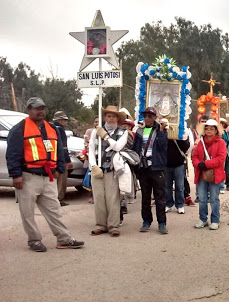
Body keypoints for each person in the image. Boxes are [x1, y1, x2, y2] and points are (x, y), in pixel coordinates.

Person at [6, 97, 84, 251]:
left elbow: (59, 151)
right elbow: (12, 154)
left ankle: (64, 239)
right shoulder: (18, 129)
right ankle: (34, 240)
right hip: (28, 177)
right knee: (27, 212)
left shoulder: (51, 129)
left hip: (48, 177)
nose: (40, 111)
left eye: (42, 108)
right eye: (36, 108)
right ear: (28, 110)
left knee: (54, 209)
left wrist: (59, 169)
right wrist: (16, 175)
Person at [89, 106, 128, 237]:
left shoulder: (123, 132)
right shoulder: (96, 131)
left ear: (117, 118)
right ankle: (100, 224)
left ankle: (113, 225)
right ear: (105, 117)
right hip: (98, 169)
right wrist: (94, 166)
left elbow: (117, 146)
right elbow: (91, 149)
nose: (111, 118)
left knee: (113, 198)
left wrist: (105, 136)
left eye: (114, 116)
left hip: (113, 169)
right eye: (108, 116)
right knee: (99, 198)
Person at [132, 107, 168, 234]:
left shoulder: (161, 130)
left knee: (160, 197)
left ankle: (162, 223)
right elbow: (135, 149)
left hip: (157, 168)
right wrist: (135, 167)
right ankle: (146, 221)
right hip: (143, 168)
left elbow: (163, 147)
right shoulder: (139, 131)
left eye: (150, 116)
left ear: (155, 117)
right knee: (145, 197)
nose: (147, 118)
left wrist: (163, 131)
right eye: (145, 116)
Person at [192, 119, 227, 230]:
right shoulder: (200, 142)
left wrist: (206, 164)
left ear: (216, 130)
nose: (209, 130)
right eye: (207, 128)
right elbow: (194, 156)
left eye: (212, 128)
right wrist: (198, 164)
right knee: (202, 198)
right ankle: (203, 219)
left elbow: (221, 159)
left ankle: (215, 220)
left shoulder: (221, 142)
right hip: (202, 174)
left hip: (215, 174)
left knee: (214, 198)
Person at [164, 122, 190, 214]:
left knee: (179, 186)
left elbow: (186, 146)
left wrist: (179, 137)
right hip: (166, 164)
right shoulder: (163, 132)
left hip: (179, 163)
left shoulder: (182, 132)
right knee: (167, 186)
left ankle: (180, 204)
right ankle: (168, 204)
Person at [51, 111, 74, 206]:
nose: (66, 122)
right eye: (65, 120)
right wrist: (67, 160)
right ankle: (59, 199)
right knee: (62, 179)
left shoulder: (50, 128)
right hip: (61, 158)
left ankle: (53, 198)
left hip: (52, 157)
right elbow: (63, 146)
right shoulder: (60, 129)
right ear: (60, 120)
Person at [219, 118, 229, 193]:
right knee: (221, 169)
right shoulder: (218, 132)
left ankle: (228, 184)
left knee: (228, 169)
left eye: (223, 123)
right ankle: (221, 186)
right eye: (220, 123)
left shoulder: (225, 132)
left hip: (227, 151)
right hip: (221, 152)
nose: (222, 125)